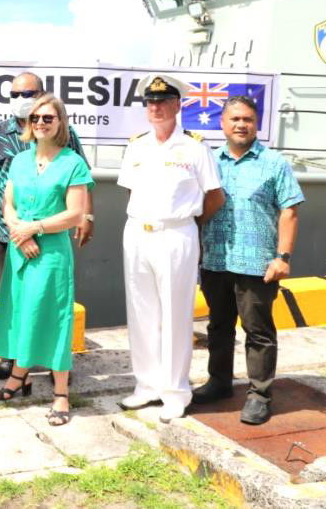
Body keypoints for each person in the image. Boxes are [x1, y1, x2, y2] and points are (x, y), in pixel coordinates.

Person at [117, 74, 224, 423]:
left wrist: (189, 225)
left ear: (178, 105)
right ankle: (146, 386)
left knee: (177, 315)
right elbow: (129, 190)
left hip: (177, 234)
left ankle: (176, 392)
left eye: (163, 101)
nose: (156, 107)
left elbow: (215, 196)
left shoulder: (195, 146)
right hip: (137, 233)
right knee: (141, 311)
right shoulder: (137, 145)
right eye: (150, 102)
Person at [194, 96, 304, 425]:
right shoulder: (209, 162)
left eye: (248, 119)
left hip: (257, 263)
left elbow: (290, 210)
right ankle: (219, 382)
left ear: (256, 124)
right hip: (215, 259)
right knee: (218, 326)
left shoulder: (274, 163)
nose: (241, 125)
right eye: (235, 119)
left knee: (258, 330)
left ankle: (259, 393)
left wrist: (282, 257)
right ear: (222, 124)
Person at [0, 72, 93, 381]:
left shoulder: (66, 137)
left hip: (52, 234)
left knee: (51, 300)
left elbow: (82, 185)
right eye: (15, 94)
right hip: (9, 234)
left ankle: (54, 361)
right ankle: (12, 358)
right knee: (14, 300)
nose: (21, 100)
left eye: (27, 93)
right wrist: (5, 231)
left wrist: (88, 217)